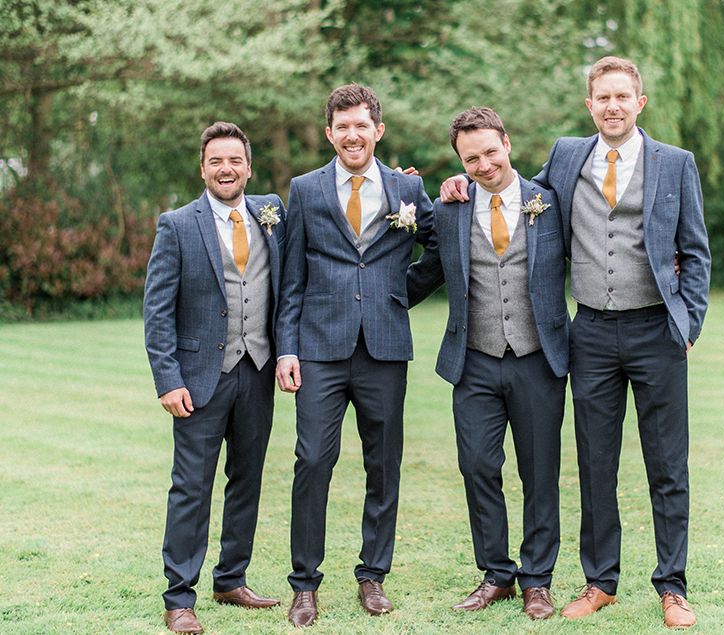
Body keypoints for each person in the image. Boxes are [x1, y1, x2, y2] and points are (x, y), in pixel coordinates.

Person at [441, 56, 711, 629]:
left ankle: (672, 585)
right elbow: (506, 184)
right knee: (595, 463)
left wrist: (687, 322)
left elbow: (697, 249)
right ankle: (600, 581)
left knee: (667, 466)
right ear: (590, 105)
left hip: (657, 331)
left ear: (639, 102)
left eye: (622, 97)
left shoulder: (675, 163)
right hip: (588, 332)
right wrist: (459, 182)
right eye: (602, 98)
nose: (612, 106)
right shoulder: (567, 156)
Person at [275, 84, 434, 627]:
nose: (352, 135)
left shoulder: (406, 189)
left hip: (385, 347)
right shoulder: (306, 189)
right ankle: (304, 584)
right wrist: (287, 348)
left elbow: (440, 245)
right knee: (313, 460)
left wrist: (399, 293)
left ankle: (373, 576)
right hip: (319, 347)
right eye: (342, 127)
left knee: (383, 463)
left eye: (361, 125)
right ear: (329, 133)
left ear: (378, 130)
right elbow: (291, 275)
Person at [407, 107, 569, 620]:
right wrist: (361, 295)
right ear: (460, 161)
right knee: (477, 465)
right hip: (473, 359)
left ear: (508, 144)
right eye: (470, 158)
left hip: (539, 357)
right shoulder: (450, 208)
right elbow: (426, 270)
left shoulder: (551, 200)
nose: (483, 165)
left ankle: (537, 580)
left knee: (540, 471)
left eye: (490, 152)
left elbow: (598, 243)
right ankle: (496, 574)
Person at [144, 122, 285, 634]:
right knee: (191, 487)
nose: (226, 169)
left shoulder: (272, 214)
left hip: (258, 369)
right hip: (200, 378)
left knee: (246, 480)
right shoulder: (177, 224)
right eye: (216, 162)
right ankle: (180, 596)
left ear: (248, 166)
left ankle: (231, 579)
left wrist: (399, 187)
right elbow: (157, 310)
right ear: (202, 168)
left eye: (235, 160)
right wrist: (168, 379)